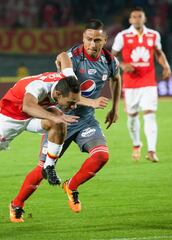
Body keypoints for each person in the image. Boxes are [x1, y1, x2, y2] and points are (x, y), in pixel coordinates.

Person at [9, 19, 121, 222]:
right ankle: (17, 203)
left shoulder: (110, 61)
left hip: (86, 121)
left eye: (97, 40)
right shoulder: (73, 57)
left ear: (105, 40)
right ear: (83, 38)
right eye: (89, 39)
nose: (92, 44)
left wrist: (115, 108)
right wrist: (92, 101)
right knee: (43, 169)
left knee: (102, 156)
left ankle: (71, 186)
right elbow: (64, 72)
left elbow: (116, 79)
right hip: (60, 121)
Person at [111, 7, 172, 162]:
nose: (137, 19)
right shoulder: (122, 36)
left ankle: (152, 151)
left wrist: (166, 66)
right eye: (134, 16)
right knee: (132, 118)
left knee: (150, 115)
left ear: (144, 19)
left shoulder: (153, 35)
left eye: (140, 16)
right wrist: (123, 65)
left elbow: (158, 52)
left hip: (149, 82)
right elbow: (112, 57)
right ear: (130, 20)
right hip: (130, 83)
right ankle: (137, 144)